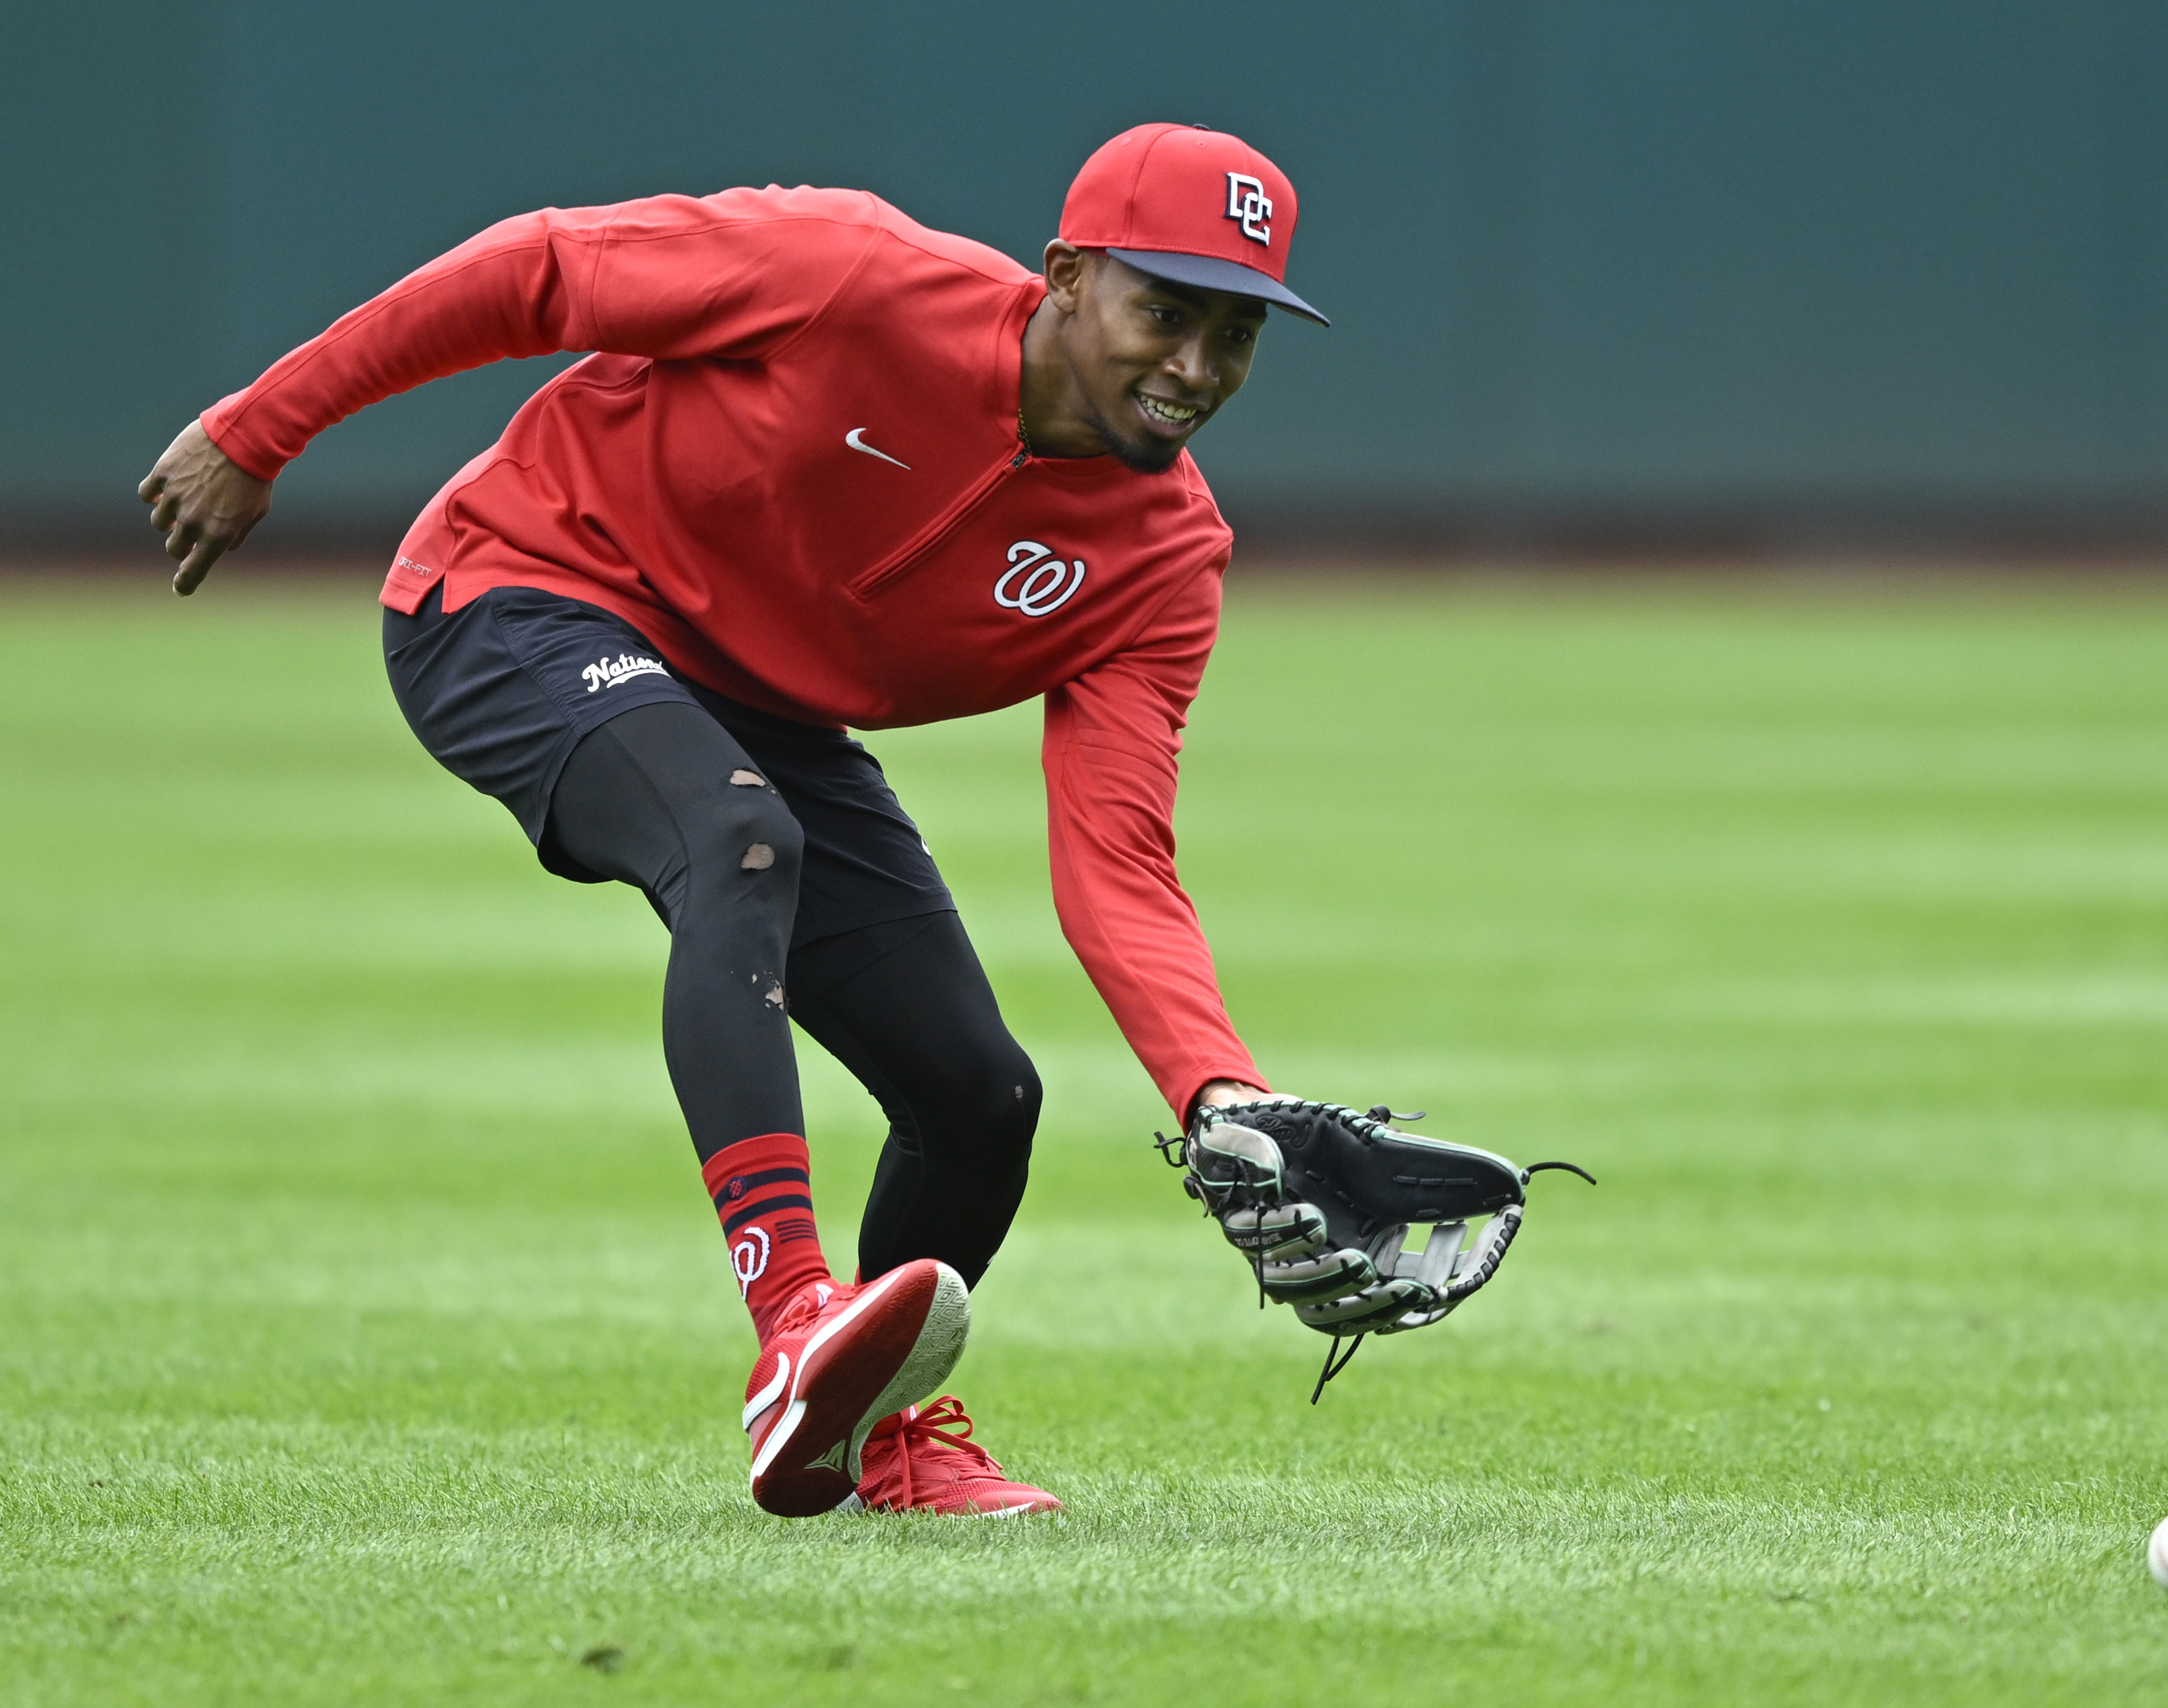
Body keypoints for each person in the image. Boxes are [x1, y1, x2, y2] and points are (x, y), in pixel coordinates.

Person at [136, 123, 1327, 1518]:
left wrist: (1220, 1093)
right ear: (1067, 274)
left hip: (755, 707)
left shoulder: (1164, 563)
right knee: (739, 838)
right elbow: (538, 271)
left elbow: (1117, 866)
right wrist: (257, 428)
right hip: (522, 587)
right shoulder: (852, 274)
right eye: (1164, 313)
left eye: (1234, 334)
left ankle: (880, 1429)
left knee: (980, 1095)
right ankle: (794, 1325)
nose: (1194, 368)